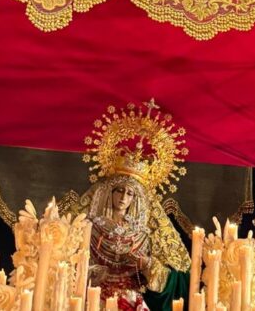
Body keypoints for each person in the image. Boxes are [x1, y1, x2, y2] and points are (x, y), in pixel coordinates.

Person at [75, 102, 191, 311]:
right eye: (119, 190)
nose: (123, 198)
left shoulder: (143, 233)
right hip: (92, 299)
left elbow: (175, 274)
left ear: (135, 200)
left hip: (131, 300)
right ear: (109, 192)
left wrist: (147, 265)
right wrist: (91, 271)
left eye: (130, 194)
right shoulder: (90, 225)